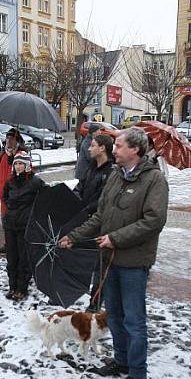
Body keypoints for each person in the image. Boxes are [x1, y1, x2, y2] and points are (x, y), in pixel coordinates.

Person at [59, 127, 169, 379]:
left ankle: (137, 375)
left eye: (119, 145)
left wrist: (115, 238)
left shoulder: (154, 180)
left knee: (134, 320)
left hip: (133, 262)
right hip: (109, 259)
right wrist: (74, 236)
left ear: (135, 149)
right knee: (115, 316)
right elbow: (100, 216)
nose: (114, 149)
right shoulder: (116, 177)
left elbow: (154, 221)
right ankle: (121, 361)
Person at [74, 133, 116, 311]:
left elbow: (102, 199)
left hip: (100, 223)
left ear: (102, 148)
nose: (89, 149)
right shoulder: (91, 167)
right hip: (85, 221)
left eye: (92, 145)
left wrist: (87, 210)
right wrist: (74, 198)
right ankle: (74, 290)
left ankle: (95, 303)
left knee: (100, 266)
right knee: (81, 259)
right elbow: (80, 187)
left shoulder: (111, 172)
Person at [3, 151, 45, 301]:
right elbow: (5, 196)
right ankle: (12, 285)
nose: (19, 167)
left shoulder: (35, 182)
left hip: (25, 225)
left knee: (23, 257)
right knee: (11, 256)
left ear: (27, 165)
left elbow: (44, 198)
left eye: (21, 164)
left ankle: (22, 287)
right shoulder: (10, 182)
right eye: (16, 164)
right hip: (10, 224)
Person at [0, 128, 26, 252]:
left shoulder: (22, 155)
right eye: (7, 139)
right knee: (5, 221)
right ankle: (8, 244)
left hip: (17, 195)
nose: (9, 141)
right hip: (4, 195)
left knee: (16, 222)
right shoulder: (2, 155)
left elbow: (28, 174)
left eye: (12, 139)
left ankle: (16, 245)